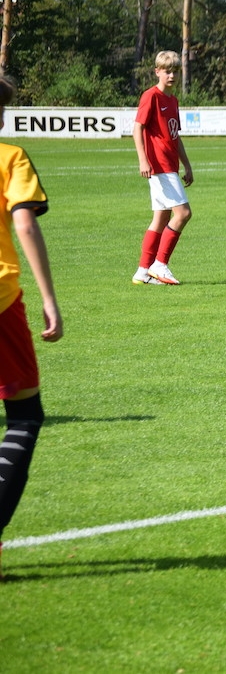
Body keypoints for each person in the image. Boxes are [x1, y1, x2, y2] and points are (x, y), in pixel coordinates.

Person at [0, 75, 63, 580]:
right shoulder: (11, 157)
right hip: (1, 302)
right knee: (23, 417)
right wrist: (49, 299)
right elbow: (24, 222)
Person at [132, 50, 194, 285]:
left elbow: (175, 136)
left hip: (170, 166)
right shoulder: (151, 96)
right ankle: (160, 264)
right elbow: (137, 128)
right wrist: (143, 159)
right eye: (167, 71)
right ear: (157, 71)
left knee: (161, 218)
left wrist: (186, 164)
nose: (172, 76)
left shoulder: (173, 100)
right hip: (159, 167)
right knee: (183, 213)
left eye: (176, 71)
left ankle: (142, 271)